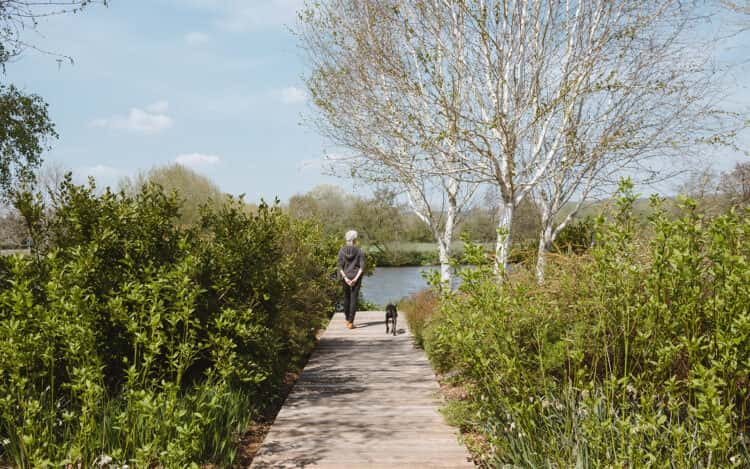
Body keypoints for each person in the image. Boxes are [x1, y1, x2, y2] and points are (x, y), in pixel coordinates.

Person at [338, 229, 365, 329]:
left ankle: (346, 319)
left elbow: (339, 266)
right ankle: (350, 322)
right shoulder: (359, 251)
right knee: (353, 299)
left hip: (345, 276)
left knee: (346, 297)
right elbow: (362, 267)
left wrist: (345, 278)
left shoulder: (341, 251)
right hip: (355, 277)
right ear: (355, 240)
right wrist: (355, 279)